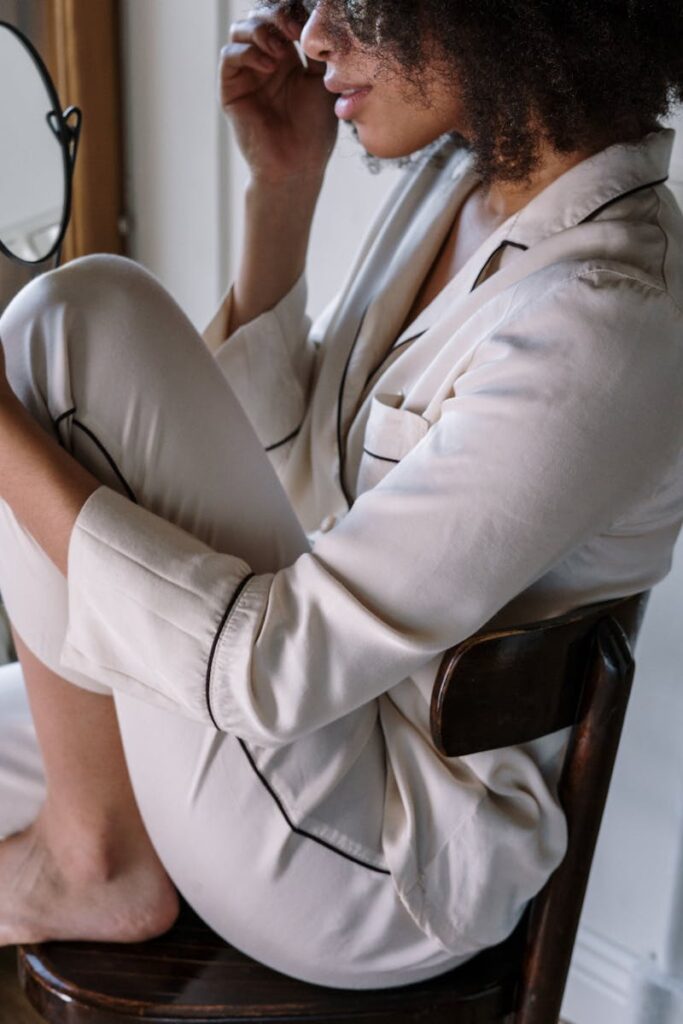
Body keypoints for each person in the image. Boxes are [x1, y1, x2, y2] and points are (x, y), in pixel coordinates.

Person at [0, 0, 682, 989]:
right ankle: (89, 845)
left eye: (360, 4)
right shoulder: (465, 176)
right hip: (296, 717)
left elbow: (271, 665)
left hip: (377, 851)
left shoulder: (603, 319)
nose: (314, 35)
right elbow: (293, 477)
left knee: (73, 323)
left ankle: (92, 857)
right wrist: (282, 188)